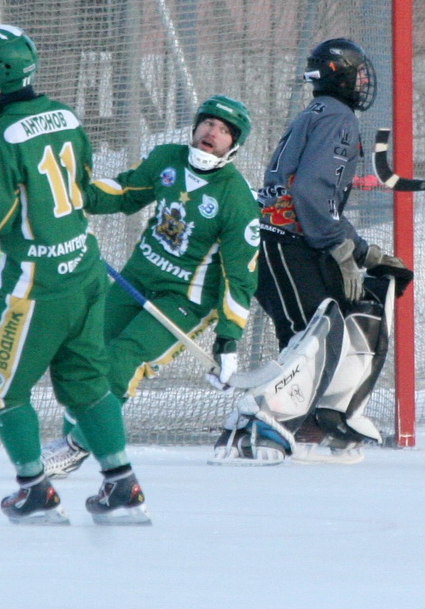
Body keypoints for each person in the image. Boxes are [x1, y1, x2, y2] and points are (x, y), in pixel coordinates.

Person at [0, 24, 150, 525]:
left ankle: (34, 491)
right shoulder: (66, 116)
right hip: (84, 271)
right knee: (86, 384)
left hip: (38, 285)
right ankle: (122, 485)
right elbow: (78, 186)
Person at [41, 95, 261, 479]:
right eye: (209, 123)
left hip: (185, 300)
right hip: (137, 281)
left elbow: (239, 276)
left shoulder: (237, 199)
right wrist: (70, 198)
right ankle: (69, 442)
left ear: (234, 144)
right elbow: (126, 191)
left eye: (225, 130)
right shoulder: (167, 159)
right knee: (85, 353)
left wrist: (228, 339)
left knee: (123, 359)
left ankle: (76, 447)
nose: (213, 132)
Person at [247, 38, 411, 461]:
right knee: (311, 336)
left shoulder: (320, 112)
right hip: (285, 241)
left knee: (320, 328)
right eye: (357, 74)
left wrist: (360, 249)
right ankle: (273, 424)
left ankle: (315, 419)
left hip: (289, 240)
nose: (363, 82)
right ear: (339, 77)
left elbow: (315, 196)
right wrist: (339, 245)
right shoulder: (339, 117)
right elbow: (312, 190)